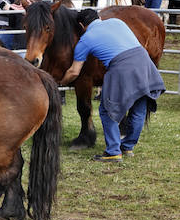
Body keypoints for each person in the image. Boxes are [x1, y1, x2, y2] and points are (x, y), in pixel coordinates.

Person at [62, 9, 165, 161]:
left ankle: (113, 151)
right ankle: (128, 147)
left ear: (81, 25)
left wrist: (60, 82)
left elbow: (74, 72)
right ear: (98, 18)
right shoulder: (117, 22)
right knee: (139, 106)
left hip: (121, 66)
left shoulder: (86, 39)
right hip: (144, 61)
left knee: (106, 110)